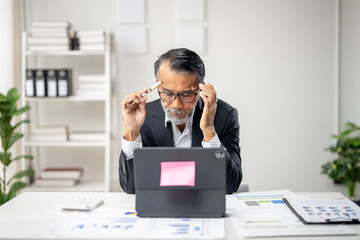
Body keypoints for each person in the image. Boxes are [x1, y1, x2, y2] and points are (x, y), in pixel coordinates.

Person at [119, 48, 242, 194]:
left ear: (201, 89)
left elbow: (231, 185)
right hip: (161, 205)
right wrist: (131, 132)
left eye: (186, 94)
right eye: (168, 93)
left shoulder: (225, 115)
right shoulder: (143, 117)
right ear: (157, 85)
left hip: (204, 203)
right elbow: (130, 188)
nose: (176, 105)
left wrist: (209, 131)